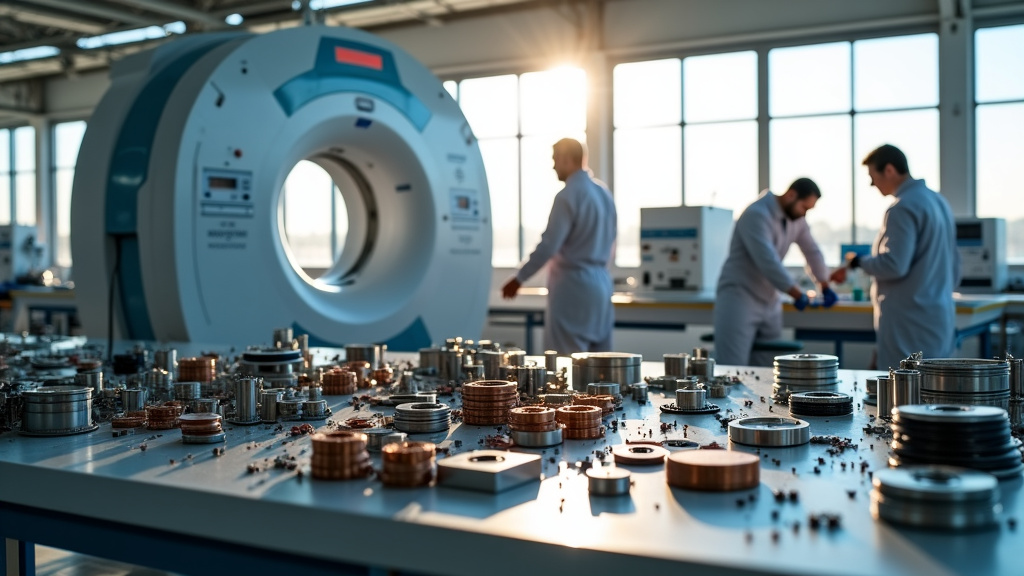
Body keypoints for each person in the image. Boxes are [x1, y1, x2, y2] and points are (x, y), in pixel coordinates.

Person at [830, 144, 959, 370]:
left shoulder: (902, 207)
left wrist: (859, 262)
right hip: (938, 316)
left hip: (909, 322)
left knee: (905, 398)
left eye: (873, 177)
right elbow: (955, 266)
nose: (872, 184)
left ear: (889, 170)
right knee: (935, 393)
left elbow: (894, 265)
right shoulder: (939, 202)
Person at [501, 138, 617, 354]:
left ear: (566, 159)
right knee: (601, 366)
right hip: (601, 286)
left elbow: (549, 246)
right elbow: (612, 241)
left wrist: (519, 278)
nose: (553, 165)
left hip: (573, 288)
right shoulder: (603, 194)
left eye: (555, 159)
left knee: (567, 365)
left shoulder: (567, 196)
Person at [714, 178, 837, 366]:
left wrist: (824, 283)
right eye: (804, 207)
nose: (805, 214)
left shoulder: (797, 220)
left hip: (770, 300)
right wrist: (797, 294)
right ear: (791, 195)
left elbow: (812, 251)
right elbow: (767, 261)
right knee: (733, 368)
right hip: (739, 297)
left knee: (767, 370)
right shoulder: (756, 214)